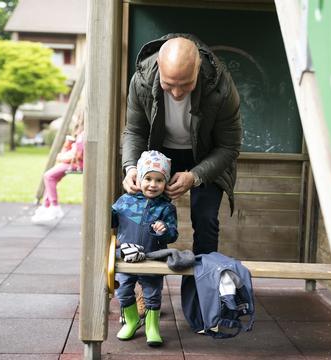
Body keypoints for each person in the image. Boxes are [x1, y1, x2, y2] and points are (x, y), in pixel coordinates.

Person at [122, 34, 242, 256]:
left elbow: (230, 146)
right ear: (158, 65)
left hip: (207, 155)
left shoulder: (222, 88)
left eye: (186, 85)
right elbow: (135, 131)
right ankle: (150, 286)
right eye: (169, 85)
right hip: (160, 153)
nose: (177, 93)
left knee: (205, 218)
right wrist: (131, 167)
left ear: (198, 68)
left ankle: (199, 288)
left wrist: (195, 176)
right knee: (144, 213)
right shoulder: (141, 81)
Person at [112, 150, 178, 347]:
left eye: (159, 180)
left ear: (165, 183)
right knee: (123, 290)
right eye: (148, 178)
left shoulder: (166, 208)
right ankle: (132, 321)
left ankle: (152, 327)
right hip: (126, 255)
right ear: (139, 178)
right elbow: (111, 220)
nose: (152, 184)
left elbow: (173, 234)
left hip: (152, 256)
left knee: (152, 293)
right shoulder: (125, 201)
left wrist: (163, 230)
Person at [31, 116, 85, 223]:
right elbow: (70, 152)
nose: (76, 124)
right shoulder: (79, 135)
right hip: (71, 162)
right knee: (52, 178)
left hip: (77, 164)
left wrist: (61, 157)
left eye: (78, 122)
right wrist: (67, 146)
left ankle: (55, 206)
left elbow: (77, 155)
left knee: (48, 175)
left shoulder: (83, 135)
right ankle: (46, 206)